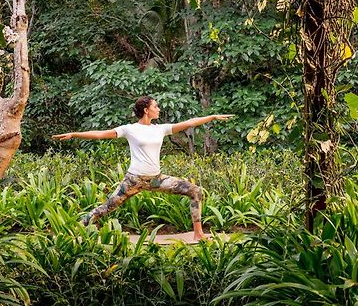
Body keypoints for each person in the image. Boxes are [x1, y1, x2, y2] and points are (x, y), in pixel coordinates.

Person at [52, 96, 234, 240]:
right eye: (156, 106)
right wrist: (74, 134)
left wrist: (212, 117)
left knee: (195, 191)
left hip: (156, 179)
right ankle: (73, 230)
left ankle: (198, 233)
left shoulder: (160, 128)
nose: (159, 109)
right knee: (107, 207)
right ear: (146, 110)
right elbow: (100, 135)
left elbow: (189, 123)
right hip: (134, 180)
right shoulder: (129, 129)